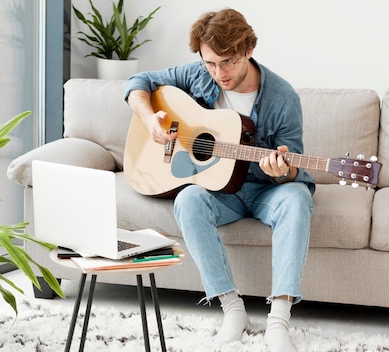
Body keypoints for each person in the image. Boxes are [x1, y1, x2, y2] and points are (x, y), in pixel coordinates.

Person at [123, 8, 314, 352]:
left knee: (298, 197)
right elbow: (137, 84)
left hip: (264, 190)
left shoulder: (283, 99)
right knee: (187, 199)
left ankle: (279, 320)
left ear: (248, 51)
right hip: (219, 192)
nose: (218, 73)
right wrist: (151, 119)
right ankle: (232, 310)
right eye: (210, 63)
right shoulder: (199, 74)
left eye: (227, 62)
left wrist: (282, 169)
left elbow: (294, 165)